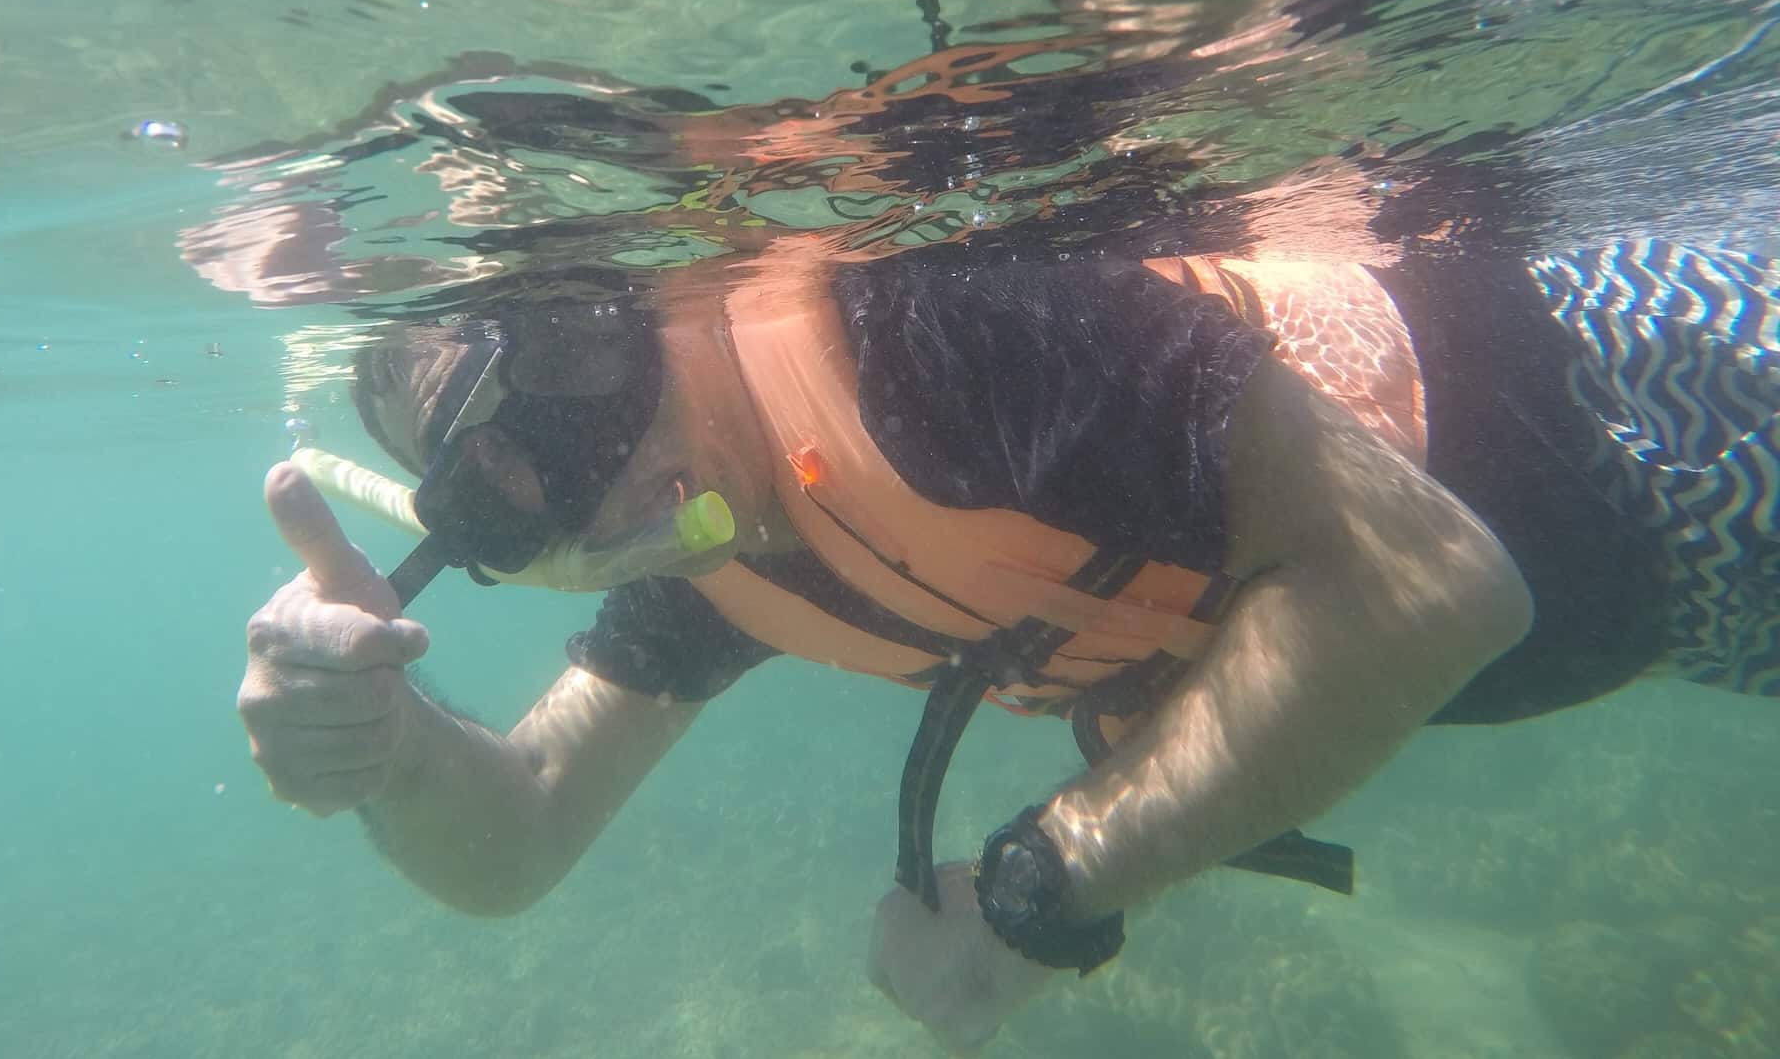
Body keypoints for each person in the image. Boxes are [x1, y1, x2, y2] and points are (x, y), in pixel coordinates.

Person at [236, 234, 1779, 1054]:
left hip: (1649, 391)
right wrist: (389, 752)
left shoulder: (924, 330)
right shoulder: (708, 552)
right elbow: (512, 842)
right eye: (504, 492)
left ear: (641, 303)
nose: (608, 476)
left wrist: (1050, 883)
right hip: (1663, 611)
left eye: (578, 366)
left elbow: (1426, 582)